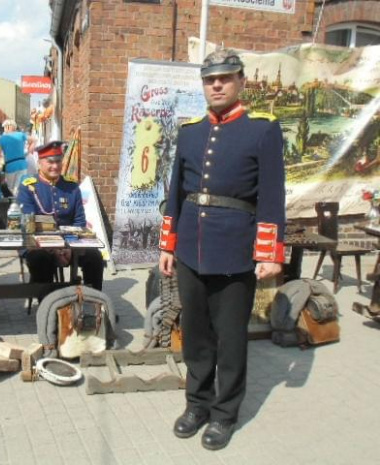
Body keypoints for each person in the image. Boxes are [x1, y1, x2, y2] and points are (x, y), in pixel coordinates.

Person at [158, 49, 286, 451]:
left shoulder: (262, 129)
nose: (216, 85)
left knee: (230, 338)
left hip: (235, 248)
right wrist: (168, 244)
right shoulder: (190, 130)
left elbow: (272, 196)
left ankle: (224, 413)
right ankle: (197, 405)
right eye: (210, 79)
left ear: (240, 81)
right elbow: (175, 191)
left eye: (225, 78)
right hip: (191, 248)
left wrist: (269, 252)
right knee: (195, 334)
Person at [16, 141, 104, 291]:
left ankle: (94, 300)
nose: (55, 166)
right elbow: (27, 225)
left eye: (58, 161)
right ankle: (48, 306)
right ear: (39, 163)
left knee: (95, 257)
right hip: (39, 244)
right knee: (40, 260)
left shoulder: (71, 186)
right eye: (50, 162)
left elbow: (79, 221)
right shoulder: (28, 187)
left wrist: (69, 248)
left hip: (69, 243)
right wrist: (53, 249)